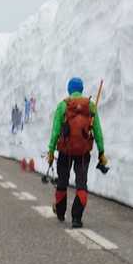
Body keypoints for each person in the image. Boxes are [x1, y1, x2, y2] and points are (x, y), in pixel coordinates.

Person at [47, 76, 107, 228]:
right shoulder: (90, 106)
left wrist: (51, 151)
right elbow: (98, 131)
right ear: (81, 89)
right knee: (81, 183)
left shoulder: (63, 105)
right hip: (83, 152)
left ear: (69, 89)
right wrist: (101, 152)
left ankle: (61, 212)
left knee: (62, 181)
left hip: (65, 151)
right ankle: (76, 218)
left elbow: (55, 131)